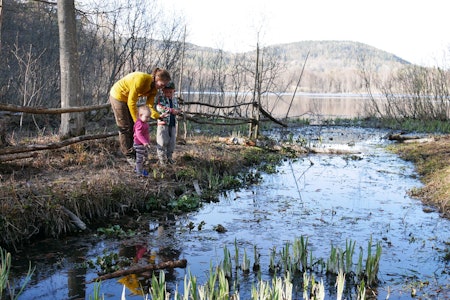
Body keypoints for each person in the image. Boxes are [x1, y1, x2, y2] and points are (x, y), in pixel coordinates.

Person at [109, 68, 171, 166]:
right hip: (118, 96)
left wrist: (158, 116)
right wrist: (137, 121)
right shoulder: (141, 79)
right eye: (162, 84)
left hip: (127, 99)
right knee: (125, 126)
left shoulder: (154, 90)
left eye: (164, 85)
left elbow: (149, 106)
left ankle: (134, 150)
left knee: (133, 126)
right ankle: (129, 155)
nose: (162, 87)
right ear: (156, 78)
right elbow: (131, 102)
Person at [155, 81, 182, 165]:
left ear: (174, 91)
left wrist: (177, 111)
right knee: (162, 141)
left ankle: (169, 157)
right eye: (166, 91)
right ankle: (162, 159)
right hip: (163, 123)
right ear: (163, 91)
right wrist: (170, 110)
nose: (168, 93)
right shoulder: (161, 99)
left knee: (172, 142)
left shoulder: (175, 100)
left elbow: (177, 109)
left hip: (173, 123)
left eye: (170, 92)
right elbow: (159, 107)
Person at [133, 106, 151, 177]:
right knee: (140, 158)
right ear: (140, 115)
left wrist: (148, 142)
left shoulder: (145, 123)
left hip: (144, 144)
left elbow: (146, 134)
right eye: (147, 117)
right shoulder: (139, 124)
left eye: (149, 117)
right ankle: (139, 172)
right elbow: (138, 134)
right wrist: (144, 142)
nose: (148, 119)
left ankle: (139, 168)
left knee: (145, 157)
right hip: (139, 144)